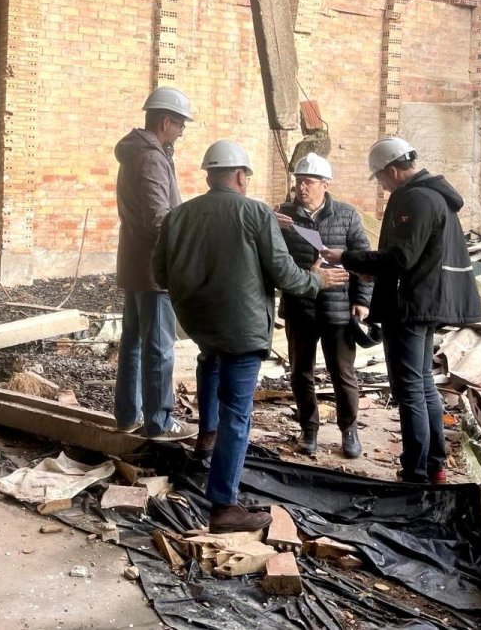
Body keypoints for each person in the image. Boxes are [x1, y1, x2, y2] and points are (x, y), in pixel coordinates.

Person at [154, 140, 349, 532]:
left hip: (200, 323)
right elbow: (285, 275)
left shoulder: (179, 216)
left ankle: (206, 439)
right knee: (237, 414)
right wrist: (319, 279)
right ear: (242, 175)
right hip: (242, 328)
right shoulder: (257, 213)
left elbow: (160, 274)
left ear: (210, 174)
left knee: (209, 364)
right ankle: (224, 506)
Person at [320, 137, 481, 484]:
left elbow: (402, 257)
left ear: (392, 170)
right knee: (423, 385)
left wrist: (345, 257)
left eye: (380, 178)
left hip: (410, 306)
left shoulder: (417, 198)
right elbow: (414, 257)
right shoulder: (435, 196)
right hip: (423, 302)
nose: (381, 184)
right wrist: (372, 269)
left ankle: (416, 470)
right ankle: (434, 465)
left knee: (410, 389)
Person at [273, 152, 371, 459]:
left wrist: (361, 299)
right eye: (299, 181)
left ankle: (349, 430)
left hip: (337, 307)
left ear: (324, 184)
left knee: (342, 373)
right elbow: (274, 260)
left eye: (309, 182)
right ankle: (309, 429)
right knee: (301, 372)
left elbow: (363, 258)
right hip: (299, 307)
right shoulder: (283, 217)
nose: (302, 187)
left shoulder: (346, 215)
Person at [114, 86, 197, 440]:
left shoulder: (136, 153)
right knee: (159, 349)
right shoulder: (150, 158)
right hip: (152, 269)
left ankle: (127, 416)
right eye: (180, 126)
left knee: (132, 343)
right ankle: (158, 423)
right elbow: (158, 218)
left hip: (134, 264)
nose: (181, 133)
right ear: (166, 122)